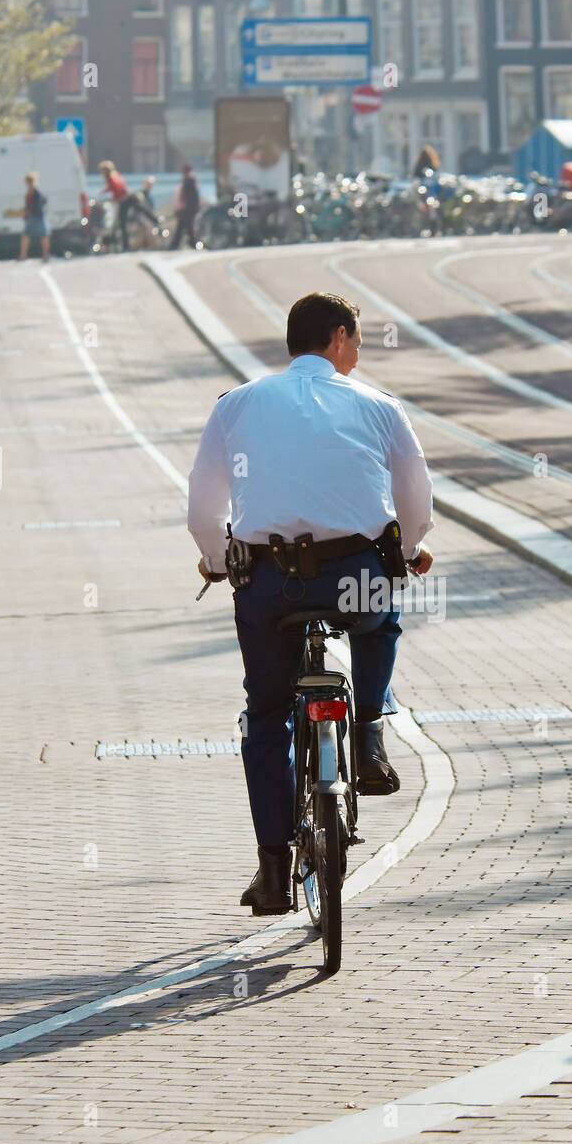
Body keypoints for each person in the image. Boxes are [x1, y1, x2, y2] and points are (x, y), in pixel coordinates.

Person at [187, 293, 435, 915]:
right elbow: (416, 499)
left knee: (267, 718)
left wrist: (217, 560)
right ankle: (370, 732)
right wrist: (411, 551)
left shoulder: (236, 405)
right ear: (339, 338)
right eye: (356, 341)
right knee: (379, 627)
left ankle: (273, 871)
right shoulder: (379, 406)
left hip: (269, 585)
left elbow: (202, 507)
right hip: (355, 577)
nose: (357, 353)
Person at [96, 160, 141, 251]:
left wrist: (105, 195)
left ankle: (125, 245)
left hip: (124, 201)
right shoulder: (115, 175)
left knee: (121, 223)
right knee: (121, 223)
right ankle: (124, 245)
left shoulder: (111, 178)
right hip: (128, 198)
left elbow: (116, 188)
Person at [18, 172, 50, 262]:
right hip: (32, 217)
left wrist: (29, 212)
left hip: (37, 216)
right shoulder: (30, 192)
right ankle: (23, 255)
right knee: (27, 236)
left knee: (43, 236)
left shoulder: (36, 193)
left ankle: (45, 255)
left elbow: (39, 204)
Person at [170, 162, 200, 249]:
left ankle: (190, 244)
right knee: (183, 227)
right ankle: (179, 244)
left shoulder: (188, 180)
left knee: (187, 227)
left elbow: (188, 196)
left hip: (186, 209)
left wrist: (183, 207)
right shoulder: (190, 180)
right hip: (186, 208)